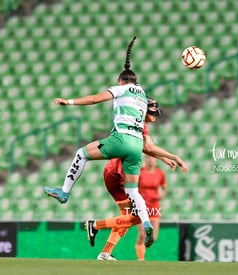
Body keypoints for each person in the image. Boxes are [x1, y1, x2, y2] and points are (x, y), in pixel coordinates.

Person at [44, 36, 155, 246]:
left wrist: (68, 101)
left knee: (81, 154)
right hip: (136, 145)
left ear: (121, 81)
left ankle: (64, 192)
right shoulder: (142, 94)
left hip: (120, 139)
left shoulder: (121, 88)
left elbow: (95, 99)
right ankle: (147, 223)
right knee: (133, 191)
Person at [84, 97, 188, 260]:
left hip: (115, 169)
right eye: (153, 112)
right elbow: (147, 147)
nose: (155, 116)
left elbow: (145, 147)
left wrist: (163, 158)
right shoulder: (136, 122)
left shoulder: (140, 123)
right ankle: (96, 225)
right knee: (137, 216)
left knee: (128, 218)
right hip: (117, 169)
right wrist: (174, 156)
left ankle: (105, 252)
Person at [135, 154, 167, 261]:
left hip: (154, 207)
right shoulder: (140, 172)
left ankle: (142, 250)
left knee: (153, 237)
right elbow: (133, 189)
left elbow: (163, 188)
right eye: (148, 158)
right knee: (142, 234)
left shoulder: (160, 174)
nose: (150, 160)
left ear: (156, 160)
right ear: (144, 159)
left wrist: (161, 195)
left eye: (152, 158)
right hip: (141, 207)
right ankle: (141, 258)